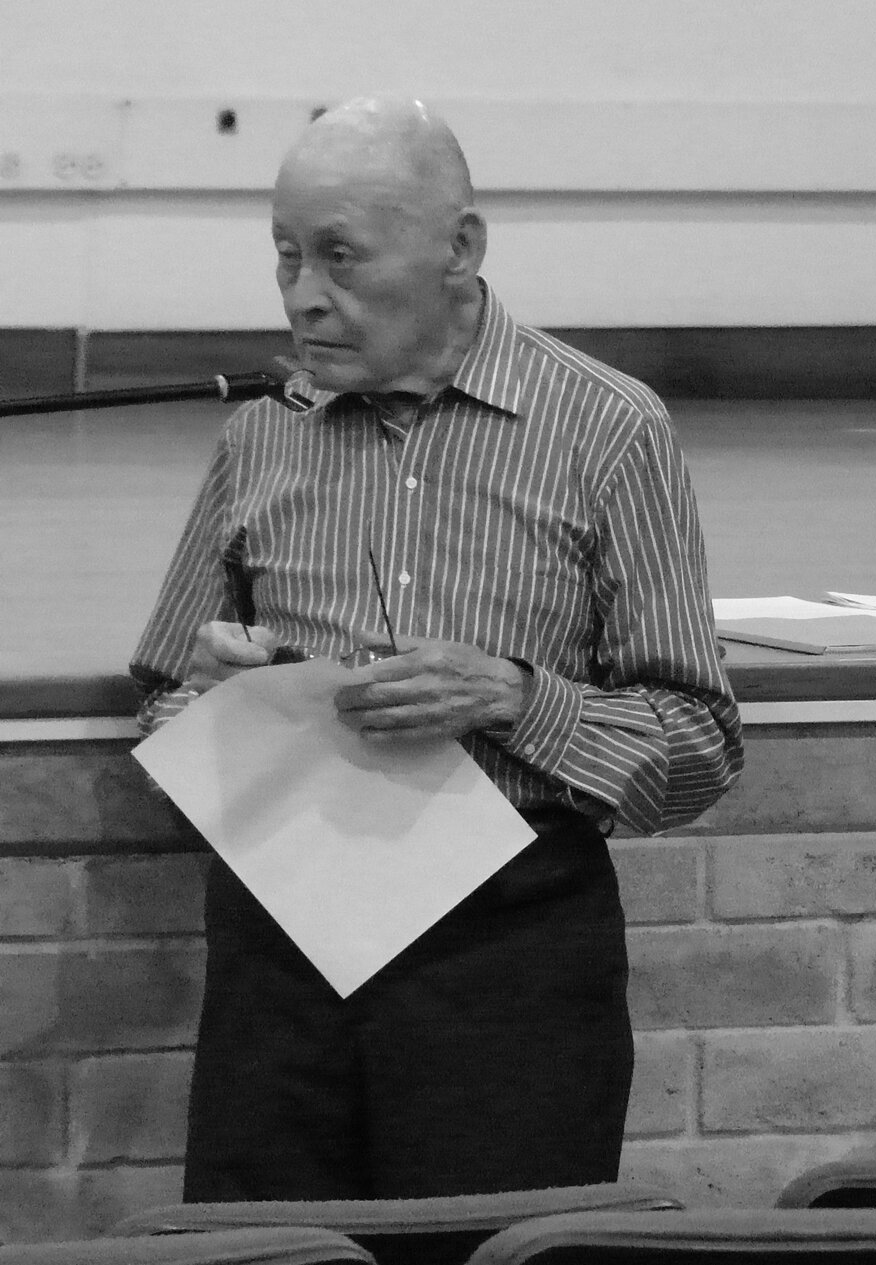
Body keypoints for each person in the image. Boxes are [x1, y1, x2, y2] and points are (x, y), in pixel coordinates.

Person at [130, 96, 743, 1199]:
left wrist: (514, 695)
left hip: (508, 956)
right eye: (285, 254)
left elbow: (698, 747)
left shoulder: (607, 430)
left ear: (461, 247)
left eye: (341, 257)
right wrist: (207, 705)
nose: (303, 295)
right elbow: (167, 700)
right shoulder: (262, 430)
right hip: (280, 951)